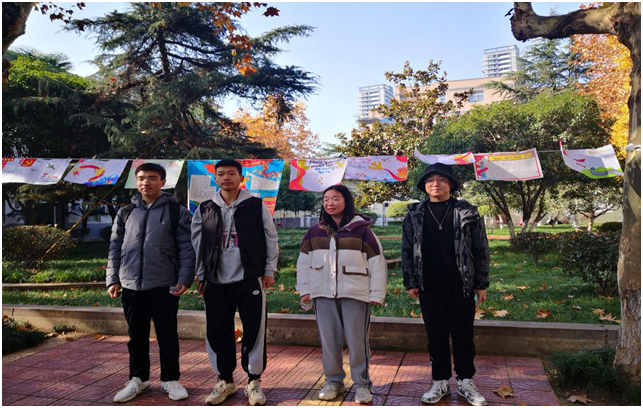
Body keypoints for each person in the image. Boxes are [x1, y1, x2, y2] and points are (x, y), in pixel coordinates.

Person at [191, 159, 279, 406]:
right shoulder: (205, 208)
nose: (226, 178)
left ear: (242, 178)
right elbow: (196, 243)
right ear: (215, 178)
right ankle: (225, 380)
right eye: (220, 174)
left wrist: (268, 270)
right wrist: (201, 275)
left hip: (249, 278)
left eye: (231, 173)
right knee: (217, 331)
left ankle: (254, 380)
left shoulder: (256, 206)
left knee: (254, 329)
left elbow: (271, 238)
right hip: (215, 280)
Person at [401, 163, 490, 406]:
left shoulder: (467, 211)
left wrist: (481, 283)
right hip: (429, 285)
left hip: (462, 285)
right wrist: (410, 281)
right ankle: (439, 381)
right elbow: (407, 249)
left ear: (451, 184)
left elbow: (481, 248)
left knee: (464, 336)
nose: (435, 184)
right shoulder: (415, 213)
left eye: (441, 180)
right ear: (425, 186)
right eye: (430, 180)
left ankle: (465, 381)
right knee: (436, 336)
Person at [106, 162, 195, 403]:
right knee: (136, 335)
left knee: (167, 335)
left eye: (153, 178)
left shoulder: (176, 211)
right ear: (136, 182)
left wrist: (184, 279)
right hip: (131, 284)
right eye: (142, 178)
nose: (147, 182)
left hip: (164, 284)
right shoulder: (126, 213)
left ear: (163, 182)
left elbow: (186, 248)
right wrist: (113, 279)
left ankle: (170, 379)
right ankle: (138, 379)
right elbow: (115, 247)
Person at [296, 185, 388, 404]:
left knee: (358, 342)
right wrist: (305, 290)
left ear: (346, 201)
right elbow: (303, 263)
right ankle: (334, 382)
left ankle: (362, 385)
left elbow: (377, 263)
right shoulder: (314, 232)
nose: (330, 203)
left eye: (335, 198)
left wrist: (376, 293)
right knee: (329, 341)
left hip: (355, 294)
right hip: (323, 294)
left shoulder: (363, 231)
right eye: (326, 199)